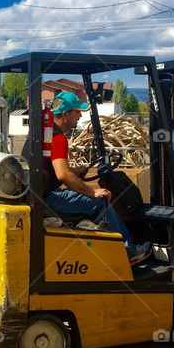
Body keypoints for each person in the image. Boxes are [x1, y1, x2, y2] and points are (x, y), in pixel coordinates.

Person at [41, 91, 151, 265]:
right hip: (49, 199)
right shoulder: (58, 138)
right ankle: (129, 252)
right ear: (65, 114)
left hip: (41, 195)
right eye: (77, 112)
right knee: (101, 201)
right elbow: (62, 174)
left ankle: (107, 248)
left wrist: (76, 171)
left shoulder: (45, 132)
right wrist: (93, 192)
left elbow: (54, 169)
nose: (79, 116)